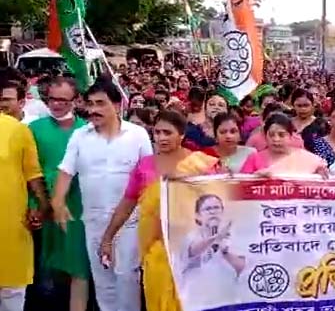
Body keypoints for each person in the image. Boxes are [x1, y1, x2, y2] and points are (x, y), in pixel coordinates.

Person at [99, 111, 219, 311]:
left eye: (167, 133)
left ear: (181, 135)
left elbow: (222, 200)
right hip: (157, 249)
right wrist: (107, 238)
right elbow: (126, 204)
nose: (161, 138)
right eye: (157, 132)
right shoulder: (145, 166)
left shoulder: (201, 165)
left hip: (194, 249)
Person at [51, 78, 153, 311]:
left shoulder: (137, 135)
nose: (93, 110)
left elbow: (148, 176)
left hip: (129, 223)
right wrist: (58, 201)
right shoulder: (80, 136)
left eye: (100, 103)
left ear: (117, 106)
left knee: (127, 278)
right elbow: (66, 171)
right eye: (90, 104)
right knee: (103, 282)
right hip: (94, 221)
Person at [28, 77, 90, 311]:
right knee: (46, 268)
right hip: (41, 205)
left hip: (76, 206)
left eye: (63, 100)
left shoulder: (86, 130)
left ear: (75, 100)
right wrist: (34, 204)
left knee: (77, 266)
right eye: (52, 99)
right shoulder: (34, 129)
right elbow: (28, 171)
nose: (56, 104)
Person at [0, 111, 49, 311]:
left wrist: (41, 208)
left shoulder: (16, 129)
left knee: (11, 292)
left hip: (10, 225)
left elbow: (33, 174)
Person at [178, 195, 246, 310]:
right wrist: (215, 238)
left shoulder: (233, 237)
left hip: (227, 303)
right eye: (208, 209)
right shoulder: (191, 237)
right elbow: (193, 251)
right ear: (198, 216)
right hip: (197, 305)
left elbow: (242, 267)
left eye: (216, 208)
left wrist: (225, 251)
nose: (213, 212)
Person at [240, 113, 328, 176]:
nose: (276, 139)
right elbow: (241, 186)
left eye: (281, 135)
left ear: (290, 136)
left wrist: (318, 172)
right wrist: (255, 178)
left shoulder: (306, 158)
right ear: (265, 136)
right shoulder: (254, 158)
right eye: (271, 135)